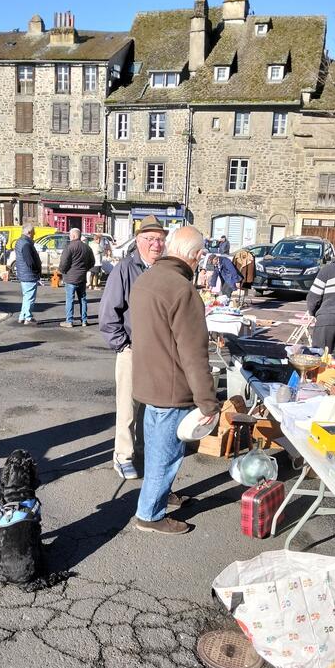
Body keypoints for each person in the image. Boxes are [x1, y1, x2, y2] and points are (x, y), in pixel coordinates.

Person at [130, 226, 219, 534]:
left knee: (157, 450)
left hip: (148, 381)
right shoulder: (182, 289)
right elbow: (194, 354)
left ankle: (159, 494)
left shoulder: (147, 278)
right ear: (196, 255)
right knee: (165, 456)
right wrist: (208, 401)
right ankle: (150, 515)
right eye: (200, 256)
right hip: (170, 386)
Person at [99, 214, 167, 479]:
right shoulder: (126, 268)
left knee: (151, 407)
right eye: (150, 239)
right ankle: (123, 456)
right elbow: (109, 313)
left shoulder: (165, 270)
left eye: (160, 239)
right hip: (132, 350)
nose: (156, 244)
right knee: (128, 408)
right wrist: (123, 346)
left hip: (158, 352)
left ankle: (142, 450)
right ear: (138, 241)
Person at [59, 228, 95, 328]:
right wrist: (85, 269)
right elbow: (92, 262)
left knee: (70, 299)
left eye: (70, 235)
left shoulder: (69, 247)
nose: (69, 237)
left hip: (70, 278)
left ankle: (69, 321)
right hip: (82, 277)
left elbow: (64, 263)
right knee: (82, 299)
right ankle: (84, 320)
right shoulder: (87, 248)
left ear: (74, 236)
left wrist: (63, 271)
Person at [15, 223, 43, 325]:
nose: (34, 235)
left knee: (26, 297)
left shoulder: (20, 241)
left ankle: (22, 316)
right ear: (29, 232)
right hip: (29, 274)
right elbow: (30, 262)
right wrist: (36, 271)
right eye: (33, 233)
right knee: (30, 297)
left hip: (23, 273)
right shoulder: (26, 244)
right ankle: (28, 317)